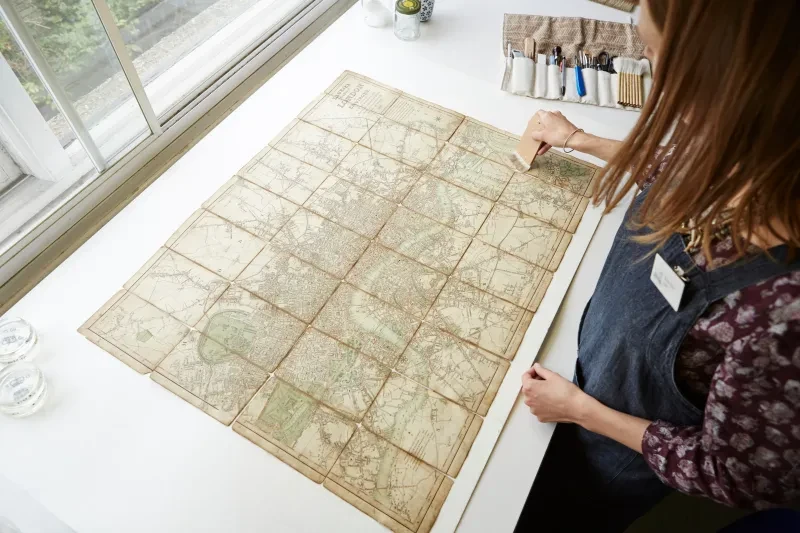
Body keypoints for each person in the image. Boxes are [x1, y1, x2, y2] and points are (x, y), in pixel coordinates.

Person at [515, 1, 799, 531]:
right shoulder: (740, 143)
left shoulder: (782, 309)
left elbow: (735, 474)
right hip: (579, 372)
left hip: (604, 456)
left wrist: (578, 410)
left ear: (721, 82)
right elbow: (671, 165)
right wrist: (578, 139)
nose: (644, 63)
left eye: (650, 49)